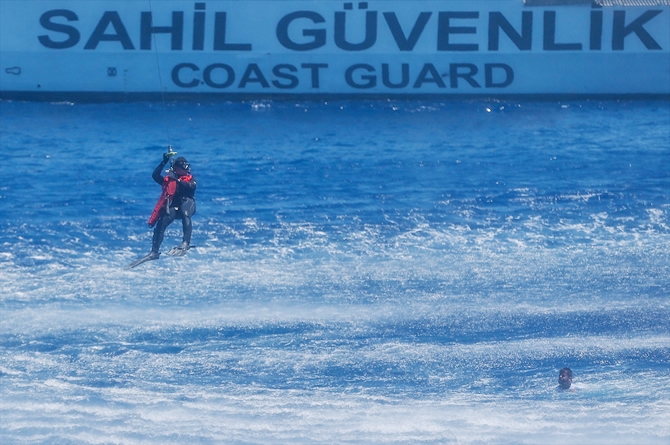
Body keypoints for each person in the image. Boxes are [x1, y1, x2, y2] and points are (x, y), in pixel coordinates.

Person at [148, 152, 197, 258]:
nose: (186, 170)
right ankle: (154, 252)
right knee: (162, 222)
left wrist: (176, 179)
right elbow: (155, 176)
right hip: (175, 207)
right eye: (183, 168)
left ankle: (185, 242)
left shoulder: (190, 180)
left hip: (188, 204)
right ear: (177, 169)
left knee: (185, 212)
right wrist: (164, 162)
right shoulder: (170, 181)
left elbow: (190, 187)